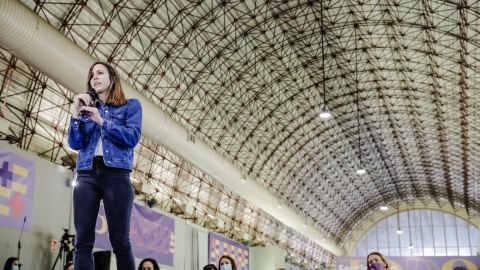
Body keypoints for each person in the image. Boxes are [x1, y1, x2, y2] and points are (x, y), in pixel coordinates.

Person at [68, 61, 143, 270]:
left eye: (100, 73)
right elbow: (75, 143)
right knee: (82, 241)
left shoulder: (131, 105)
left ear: (113, 78)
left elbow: (132, 137)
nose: (94, 77)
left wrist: (103, 121)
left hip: (116, 175)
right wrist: (76, 114)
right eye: (92, 74)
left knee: (120, 241)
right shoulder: (86, 109)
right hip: (86, 174)